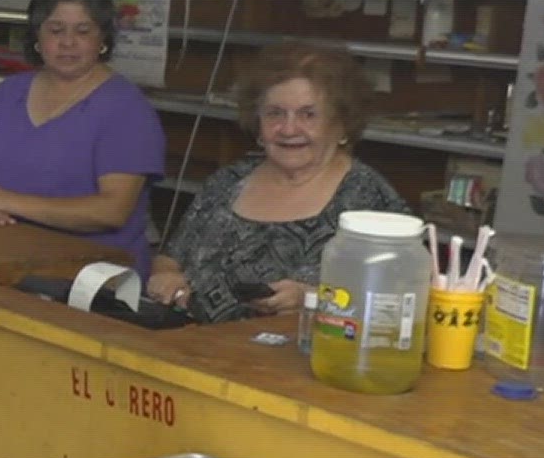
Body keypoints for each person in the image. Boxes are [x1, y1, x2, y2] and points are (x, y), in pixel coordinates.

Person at [145, 44, 411, 324]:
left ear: (341, 123)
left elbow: (397, 303)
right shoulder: (228, 182)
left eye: (308, 114)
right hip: (189, 347)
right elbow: (171, 257)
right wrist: (166, 275)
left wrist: (310, 298)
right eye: (275, 113)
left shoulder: (370, 201)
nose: (288, 129)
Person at [0, 0, 168, 277]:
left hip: (92, 280)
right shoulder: (8, 93)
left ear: (102, 38)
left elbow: (111, 211)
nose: (67, 43)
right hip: (3, 261)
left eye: (83, 31)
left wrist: (7, 201)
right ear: (37, 37)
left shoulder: (126, 109)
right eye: (55, 30)